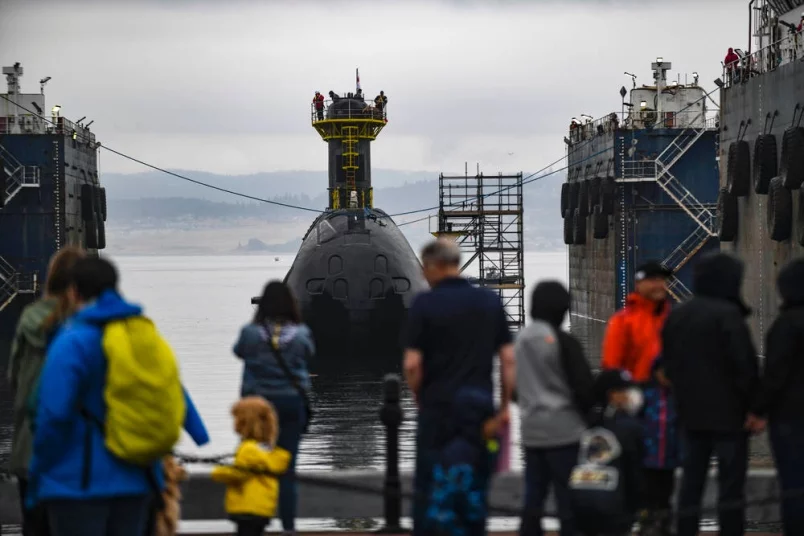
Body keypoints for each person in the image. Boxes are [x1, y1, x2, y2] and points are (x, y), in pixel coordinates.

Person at [27, 256, 209, 536]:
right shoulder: (143, 333)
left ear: (74, 291)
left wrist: (37, 474)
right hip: (137, 481)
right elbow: (173, 387)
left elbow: (52, 414)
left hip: (78, 484)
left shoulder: (72, 340)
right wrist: (199, 435)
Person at [403, 239, 515, 536]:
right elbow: (507, 359)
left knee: (429, 487)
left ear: (433, 267)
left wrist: (419, 398)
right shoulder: (489, 301)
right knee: (475, 485)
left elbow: (412, 364)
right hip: (479, 410)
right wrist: (503, 409)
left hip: (437, 409)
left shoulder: (424, 303)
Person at [662, 252, 759, 536]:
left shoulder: (677, 314)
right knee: (730, 490)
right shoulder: (728, 315)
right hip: (730, 419)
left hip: (689, 415)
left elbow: (668, 367)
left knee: (690, 486)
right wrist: (756, 408)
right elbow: (745, 366)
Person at [7, 246, 86, 536]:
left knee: (35, 527)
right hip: (74, 454)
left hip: (31, 450)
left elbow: (14, 377)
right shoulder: (86, 328)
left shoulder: (29, 319)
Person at [233, 281, 314, 536]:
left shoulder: (250, 333)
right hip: (291, 404)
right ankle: (289, 527)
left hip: (258, 407)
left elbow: (239, 351)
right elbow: (308, 352)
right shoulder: (300, 334)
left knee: (253, 464)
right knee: (287, 470)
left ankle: (252, 524)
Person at [516, 281, 595, 536]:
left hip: (531, 431)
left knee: (533, 497)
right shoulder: (564, 342)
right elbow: (584, 389)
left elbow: (513, 388)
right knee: (567, 499)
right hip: (564, 432)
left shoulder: (520, 340)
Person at [748, 258, 804, 535]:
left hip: (791, 419)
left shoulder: (786, 326)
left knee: (794, 484)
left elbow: (775, 374)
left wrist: (758, 411)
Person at [569, 369, 644, 536]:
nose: (630, 395)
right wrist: (638, 507)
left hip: (579, 504)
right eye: (625, 391)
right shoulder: (631, 428)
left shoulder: (584, 423)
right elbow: (635, 476)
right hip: (613, 509)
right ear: (613, 395)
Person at [212, 397, 291, 536]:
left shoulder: (248, 449)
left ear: (243, 423)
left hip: (247, 507)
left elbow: (240, 473)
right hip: (263, 508)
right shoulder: (268, 450)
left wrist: (218, 472)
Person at [602, 261, 672, 383]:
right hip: (637, 391)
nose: (659, 285)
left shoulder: (672, 317)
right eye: (653, 281)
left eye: (662, 280)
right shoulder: (623, 321)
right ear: (638, 284)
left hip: (671, 393)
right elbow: (612, 364)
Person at [639, 356, 680, 536]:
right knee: (648, 493)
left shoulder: (678, 396)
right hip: (648, 456)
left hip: (668, 457)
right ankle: (647, 524)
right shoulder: (645, 394)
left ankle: (664, 525)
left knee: (666, 493)